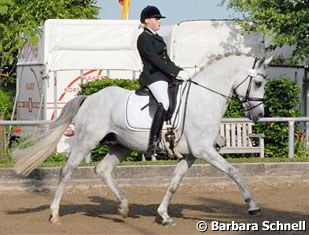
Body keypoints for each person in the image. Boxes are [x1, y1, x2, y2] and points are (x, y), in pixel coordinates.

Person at [137, 5, 191, 158]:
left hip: (163, 76)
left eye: (159, 19)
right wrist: (175, 73)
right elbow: (155, 60)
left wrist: (181, 71)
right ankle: (152, 144)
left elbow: (166, 61)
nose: (159, 21)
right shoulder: (144, 38)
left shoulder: (157, 37)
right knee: (164, 102)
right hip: (153, 76)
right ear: (147, 21)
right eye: (156, 18)